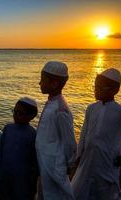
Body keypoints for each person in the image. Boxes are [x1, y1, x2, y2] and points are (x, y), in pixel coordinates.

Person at [71, 68, 121, 200]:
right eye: (95, 86)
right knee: (80, 190)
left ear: (114, 90)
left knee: (106, 191)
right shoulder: (91, 108)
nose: (95, 90)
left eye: (100, 87)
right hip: (87, 160)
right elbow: (84, 133)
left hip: (108, 161)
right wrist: (79, 154)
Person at [36, 61, 77, 200]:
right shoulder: (53, 102)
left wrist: (69, 164)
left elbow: (70, 142)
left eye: (42, 80)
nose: (39, 83)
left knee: (57, 195)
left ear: (54, 84)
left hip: (54, 165)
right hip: (46, 163)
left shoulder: (60, 109)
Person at [0, 97, 38, 200]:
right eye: (14, 111)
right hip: (4, 175)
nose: (15, 115)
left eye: (20, 113)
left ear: (31, 116)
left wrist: (32, 181)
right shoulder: (7, 129)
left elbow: (35, 161)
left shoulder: (33, 134)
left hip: (22, 178)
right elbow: (1, 153)